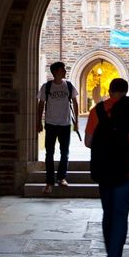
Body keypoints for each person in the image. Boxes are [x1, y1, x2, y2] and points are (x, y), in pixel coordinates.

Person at [83, 78, 129, 257]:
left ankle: (111, 253)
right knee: (120, 216)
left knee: (108, 213)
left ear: (110, 91)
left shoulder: (97, 111)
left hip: (104, 169)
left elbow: (88, 142)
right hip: (127, 170)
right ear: (126, 91)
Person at [37, 62, 79, 193]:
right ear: (55, 72)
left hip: (65, 124)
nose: (65, 72)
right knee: (49, 153)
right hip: (50, 124)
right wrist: (38, 122)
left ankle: (61, 178)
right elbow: (41, 105)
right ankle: (49, 181)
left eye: (65, 69)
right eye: (62, 70)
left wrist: (76, 122)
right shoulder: (47, 86)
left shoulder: (69, 85)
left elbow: (75, 103)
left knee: (64, 153)